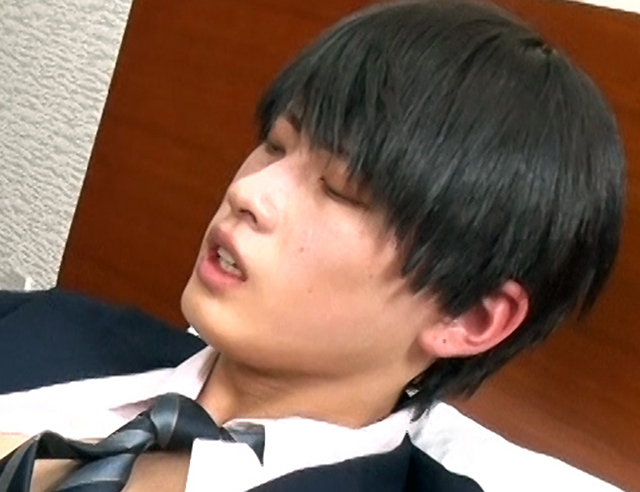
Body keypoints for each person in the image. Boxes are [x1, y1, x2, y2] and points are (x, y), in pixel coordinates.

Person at [0, 0, 625, 491]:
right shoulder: (49, 320)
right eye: (274, 145)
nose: (249, 191)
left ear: (467, 315)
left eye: (341, 190)